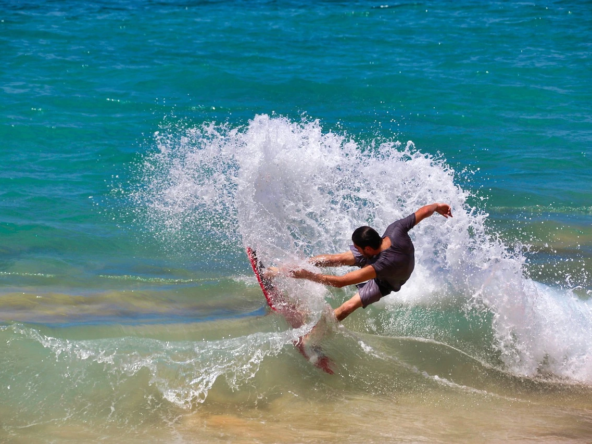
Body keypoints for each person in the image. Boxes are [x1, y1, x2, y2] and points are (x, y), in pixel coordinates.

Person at [280, 203, 452, 322]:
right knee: (336, 259)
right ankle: (281, 269)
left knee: (346, 307)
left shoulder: (381, 265)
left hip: (388, 281)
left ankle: (312, 339)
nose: (355, 250)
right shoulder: (395, 229)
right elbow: (425, 210)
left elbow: (341, 282)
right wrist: (437, 206)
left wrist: (307, 275)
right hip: (389, 260)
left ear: (368, 249)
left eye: (357, 247)